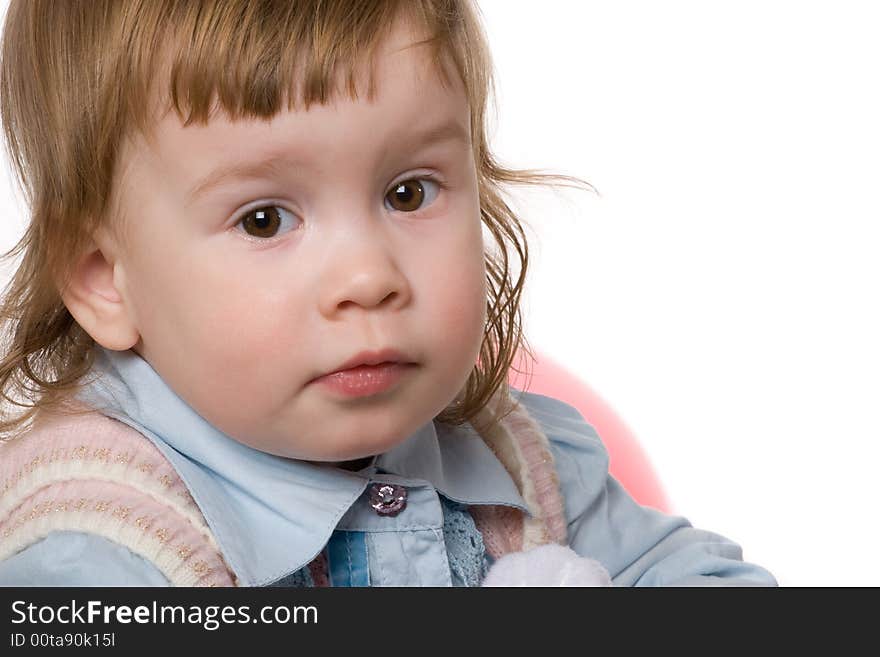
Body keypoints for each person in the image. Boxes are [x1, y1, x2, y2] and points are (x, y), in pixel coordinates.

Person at [0, 0, 776, 587]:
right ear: (106, 279)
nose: (369, 277)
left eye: (408, 193)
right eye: (265, 219)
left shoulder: (520, 456)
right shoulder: (93, 548)